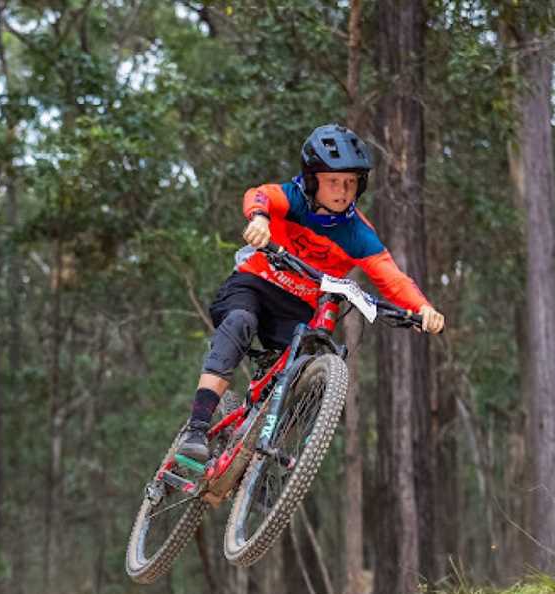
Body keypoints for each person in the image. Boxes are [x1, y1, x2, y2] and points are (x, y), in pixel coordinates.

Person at [178, 124, 445, 462]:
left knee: (311, 374)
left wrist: (423, 309)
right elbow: (259, 195)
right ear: (312, 179)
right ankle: (197, 427)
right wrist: (260, 219)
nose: (342, 191)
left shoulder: (357, 233)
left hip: (295, 309)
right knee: (240, 322)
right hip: (253, 285)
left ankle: (261, 463)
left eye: (350, 182)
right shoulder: (293, 198)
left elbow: (392, 279)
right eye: (333, 181)